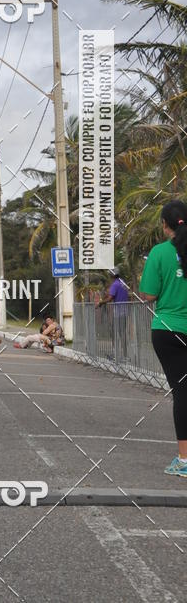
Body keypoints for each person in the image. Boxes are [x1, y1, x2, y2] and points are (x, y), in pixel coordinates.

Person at [140, 200, 187, 477]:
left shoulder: (159, 253)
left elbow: (149, 295)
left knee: (182, 393)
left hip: (169, 330)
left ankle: (184, 460)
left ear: (164, 225)